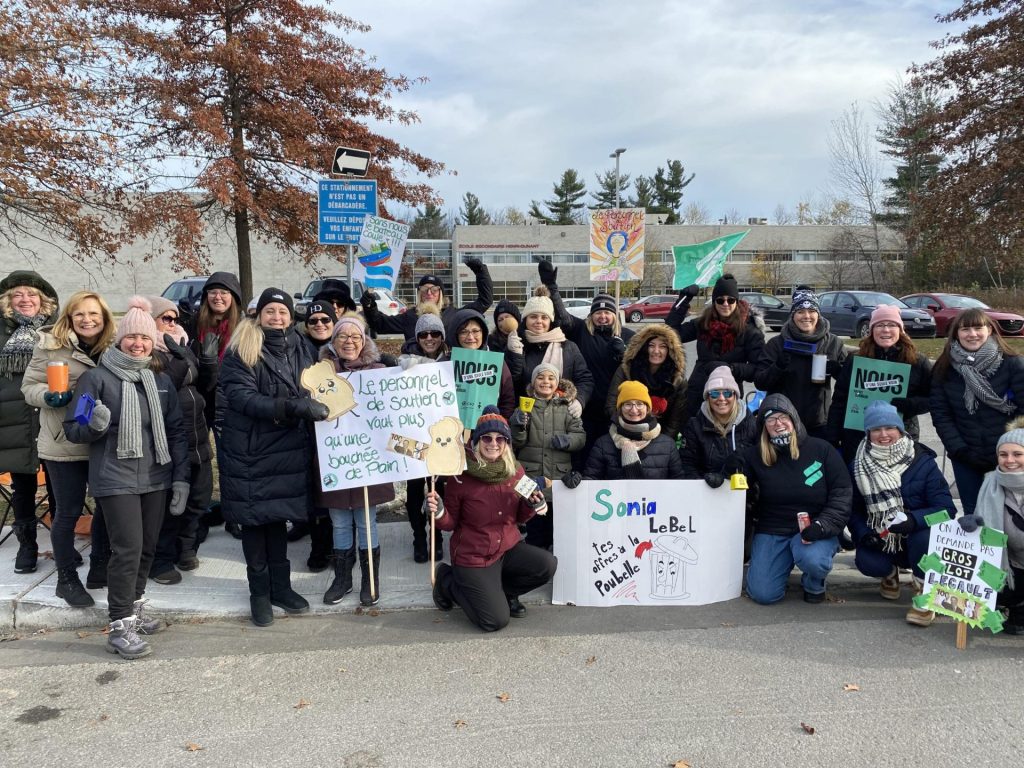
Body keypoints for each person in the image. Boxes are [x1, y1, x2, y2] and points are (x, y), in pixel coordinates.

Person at [65, 297, 189, 659]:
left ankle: (135, 608)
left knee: (148, 547)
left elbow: (176, 432)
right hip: (114, 476)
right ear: (120, 340)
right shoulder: (96, 378)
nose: (139, 344)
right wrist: (94, 426)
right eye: (132, 337)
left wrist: (180, 478)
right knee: (128, 549)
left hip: (155, 476)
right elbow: (75, 428)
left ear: (154, 343)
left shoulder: (159, 380)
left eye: (146, 339)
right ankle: (119, 626)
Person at [217, 288, 329, 626]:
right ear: (258, 314)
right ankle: (259, 594)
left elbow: (318, 385)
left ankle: (281, 587)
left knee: (278, 517)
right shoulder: (242, 348)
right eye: (270, 311)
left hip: (289, 449)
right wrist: (292, 407)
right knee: (255, 522)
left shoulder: (302, 347)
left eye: (282, 311)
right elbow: (243, 398)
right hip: (251, 450)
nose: (276, 317)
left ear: (291, 316)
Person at [21, 290, 116, 605]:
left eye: (93, 315)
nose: (87, 320)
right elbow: (29, 386)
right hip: (63, 442)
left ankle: (100, 564)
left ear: (103, 319)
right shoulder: (50, 346)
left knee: (107, 506)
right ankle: (66, 579)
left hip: (103, 441)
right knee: (67, 512)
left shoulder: (113, 347)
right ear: (69, 318)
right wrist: (48, 395)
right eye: (80, 315)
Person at [427, 406, 557, 632]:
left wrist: (531, 505)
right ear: (477, 441)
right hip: (473, 556)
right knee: (494, 621)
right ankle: (448, 582)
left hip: (506, 547)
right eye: (486, 437)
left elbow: (519, 517)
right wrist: (438, 511)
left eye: (500, 438)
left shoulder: (515, 471)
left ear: (507, 443)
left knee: (547, 565)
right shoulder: (460, 476)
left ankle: (504, 592)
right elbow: (450, 524)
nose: (493, 443)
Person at [849, 401, 953, 627]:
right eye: (876, 429)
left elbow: (947, 510)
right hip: (883, 536)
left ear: (900, 430)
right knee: (868, 562)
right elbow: (854, 509)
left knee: (922, 537)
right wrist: (864, 533)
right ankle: (890, 572)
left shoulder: (923, 462)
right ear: (868, 433)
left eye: (890, 428)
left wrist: (914, 520)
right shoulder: (858, 464)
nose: (883, 434)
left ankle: (925, 591)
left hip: (916, 537)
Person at [742, 393, 852, 605]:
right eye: (771, 419)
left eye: (783, 417)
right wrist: (728, 471)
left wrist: (823, 525)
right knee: (763, 594)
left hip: (814, 527)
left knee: (814, 560)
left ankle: (814, 581)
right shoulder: (754, 455)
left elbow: (842, 494)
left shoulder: (821, 450)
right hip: (773, 529)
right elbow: (738, 487)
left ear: (794, 419)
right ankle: (779, 566)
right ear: (764, 425)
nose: (778, 423)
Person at [316, 314, 394, 606]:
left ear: (365, 342)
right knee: (338, 521)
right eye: (342, 337)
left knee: (366, 521)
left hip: (367, 459)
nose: (349, 342)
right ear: (333, 342)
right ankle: (342, 578)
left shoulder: (378, 372)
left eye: (356, 337)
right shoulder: (321, 375)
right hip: (335, 457)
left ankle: (369, 579)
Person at [145, 296, 215, 586]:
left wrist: (207, 363)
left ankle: (187, 547)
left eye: (176, 319)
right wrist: (182, 359)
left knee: (200, 498)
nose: (173, 324)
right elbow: (162, 388)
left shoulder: (181, 347)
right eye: (166, 319)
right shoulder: (149, 351)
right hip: (172, 441)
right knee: (172, 503)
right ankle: (161, 557)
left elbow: (202, 387)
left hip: (197, 435)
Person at [930, 308, 1024, 516]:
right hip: (965, 456)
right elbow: (941, 414)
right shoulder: (944, 368)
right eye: (965, 329)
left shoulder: (1013, 364)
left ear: (989, 330)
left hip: (1008, 457)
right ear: (956, 334)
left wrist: (1011, 449)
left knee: (1011, 515)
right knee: (974, 516)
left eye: (977, 327)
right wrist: (960, 450)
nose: (972, 334)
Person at [536, 260, 633, 453]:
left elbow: (638, 370)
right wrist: (551, 287)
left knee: (612, 454)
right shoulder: (581, 330)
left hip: (616, 409)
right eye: (598, 312)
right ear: (591, 315)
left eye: (607, 312)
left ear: (615, 315)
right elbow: (562, 316)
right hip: (584, 406)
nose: (602, 316)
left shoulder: (628, 336)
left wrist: (624, 354)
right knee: (585, 453)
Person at [1, 271, 58, 575]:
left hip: (51, 418)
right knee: (22, 487)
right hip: (14, 421)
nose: (25, 300)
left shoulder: (57, 331)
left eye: (32, 294)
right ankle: (28, 546)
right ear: (8, 300)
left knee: (59, 484)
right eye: (18, 294)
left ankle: (61, 546)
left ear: (43, 300)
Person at [826, 305, 933, 463]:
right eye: (880, 325)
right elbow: (840, 400)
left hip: (901, 435)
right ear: (871, 330)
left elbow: (933, 398)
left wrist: (911, 405)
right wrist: (833, 437)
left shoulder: (917, 362)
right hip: (857, 437)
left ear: (900, 329)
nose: (886, 330)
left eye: (891, 325)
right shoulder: (855, 360)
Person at [666, 274, 765, 420]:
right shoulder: (703, 323)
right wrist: (684, 299)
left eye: (730, 300)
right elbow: (671, 333)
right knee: (692, 434)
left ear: (736, 302)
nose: (725, 304)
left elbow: (758, 369)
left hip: (727, 396)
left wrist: (730, 369)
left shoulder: (750, 331)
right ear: (714, 302)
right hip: (698, 392)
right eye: (720, 300)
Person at [754, 286, 848, 438]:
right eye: (800, 312)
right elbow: (760, 382)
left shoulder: (833, 343)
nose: (806, 316)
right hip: (784, 422)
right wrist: (778, 367)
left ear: (818, 314)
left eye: (812, 311)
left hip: (819, 423)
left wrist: (838, 371)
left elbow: (849, 384)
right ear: (793, 315)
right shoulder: (777, 344)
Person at [510, 363, 586, 548]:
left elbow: (581, 437)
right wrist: (518, 425)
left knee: (557, 530)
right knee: (534, 528)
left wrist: (568, 440)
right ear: (533, 382)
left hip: (558, 478)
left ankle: (555, 568)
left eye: (551, 378)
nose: (546, 381)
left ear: (557, 382)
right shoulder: (523, 407)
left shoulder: (567, 407)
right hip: (530, 477)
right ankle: (537, 569)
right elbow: (516, 442)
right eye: (540, 377)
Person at [290, 300, 338, 571]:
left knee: (341, 491)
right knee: (317, 491)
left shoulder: (346, 344)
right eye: (314, 321)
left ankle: (341, 546)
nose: (320, 324)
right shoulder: (297, 349)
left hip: (342, 429)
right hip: (309, 428)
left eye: (325, 320)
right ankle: (320, 546)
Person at [399, 306, 450, 562]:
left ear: (442, 336)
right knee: (414, 490)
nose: (429, 338)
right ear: (416, 338)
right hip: (412, 437)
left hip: (441, 439)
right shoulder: (404, 363)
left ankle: (436, 538)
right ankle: (419, 537)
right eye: (423, 335)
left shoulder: (451, 361)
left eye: (434, 333)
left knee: (438, 488)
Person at [968, 417, 1024, 634]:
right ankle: (1014, 605)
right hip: (1012, 564)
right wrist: (972, 524)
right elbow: (982, 521)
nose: (1009, 460)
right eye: (1003, 454)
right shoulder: (990, 482)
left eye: (1018, 454)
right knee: (996, 589)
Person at [572, 381, 685, 483]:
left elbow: (679, 483)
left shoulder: (668, 445)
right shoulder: (603, 444)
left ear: (647, 408)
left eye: (639, 404)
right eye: (628, 404)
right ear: (620, 408)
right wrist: (574, 481)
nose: (634, 409)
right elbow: (590, 481)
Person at [360, 259, 493, 339]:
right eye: (424, 289)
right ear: (419, 293)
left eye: (434, 289)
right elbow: (380, 324)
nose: (429, 293)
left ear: (440, 293)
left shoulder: (454, 315)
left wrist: (481, 272)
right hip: (420, 376)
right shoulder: (410, 317)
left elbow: (484, 302)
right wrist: (370, 306)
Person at [515, 286, 593, 412]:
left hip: (563, 416)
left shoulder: (568, 347)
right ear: (525, 320)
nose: (539, 321)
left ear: (550, 321)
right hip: (528, 417)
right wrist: (513, 355)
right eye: (533, 316)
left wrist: (580, 400)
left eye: (544, 317)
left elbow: (585, 379)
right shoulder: (518, 346)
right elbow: (513, 384)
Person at [606, 325, 688, 443]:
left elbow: (675, 422)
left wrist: (660, 443)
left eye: (663, 346)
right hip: (624, 433)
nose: (656, 351)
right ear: (643, 347)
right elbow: (611, 405)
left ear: (670, 350)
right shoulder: (626, 370)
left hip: (660, 437)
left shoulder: (677, 380)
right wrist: (628, 432)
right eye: (651, 345)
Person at [680, 366, 759, 487]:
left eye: (727, 393)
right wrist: (705, 486)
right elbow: (687, 465)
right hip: (707, 494)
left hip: (745, 496)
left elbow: (761, 465)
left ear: (735, 396)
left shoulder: (751, 424)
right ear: (708, 397)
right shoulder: (694, 426)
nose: (721, 399)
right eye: (715, 393)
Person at [447, 307, 516, 419]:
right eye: (463, 332)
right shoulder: (446, 362)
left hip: (488, 431)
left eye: (475, 331)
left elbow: (507, 400)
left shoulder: (496, 363)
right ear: (455, 334)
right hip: (452, 430)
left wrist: (500, 425)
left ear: (483, 333)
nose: (470, 337)